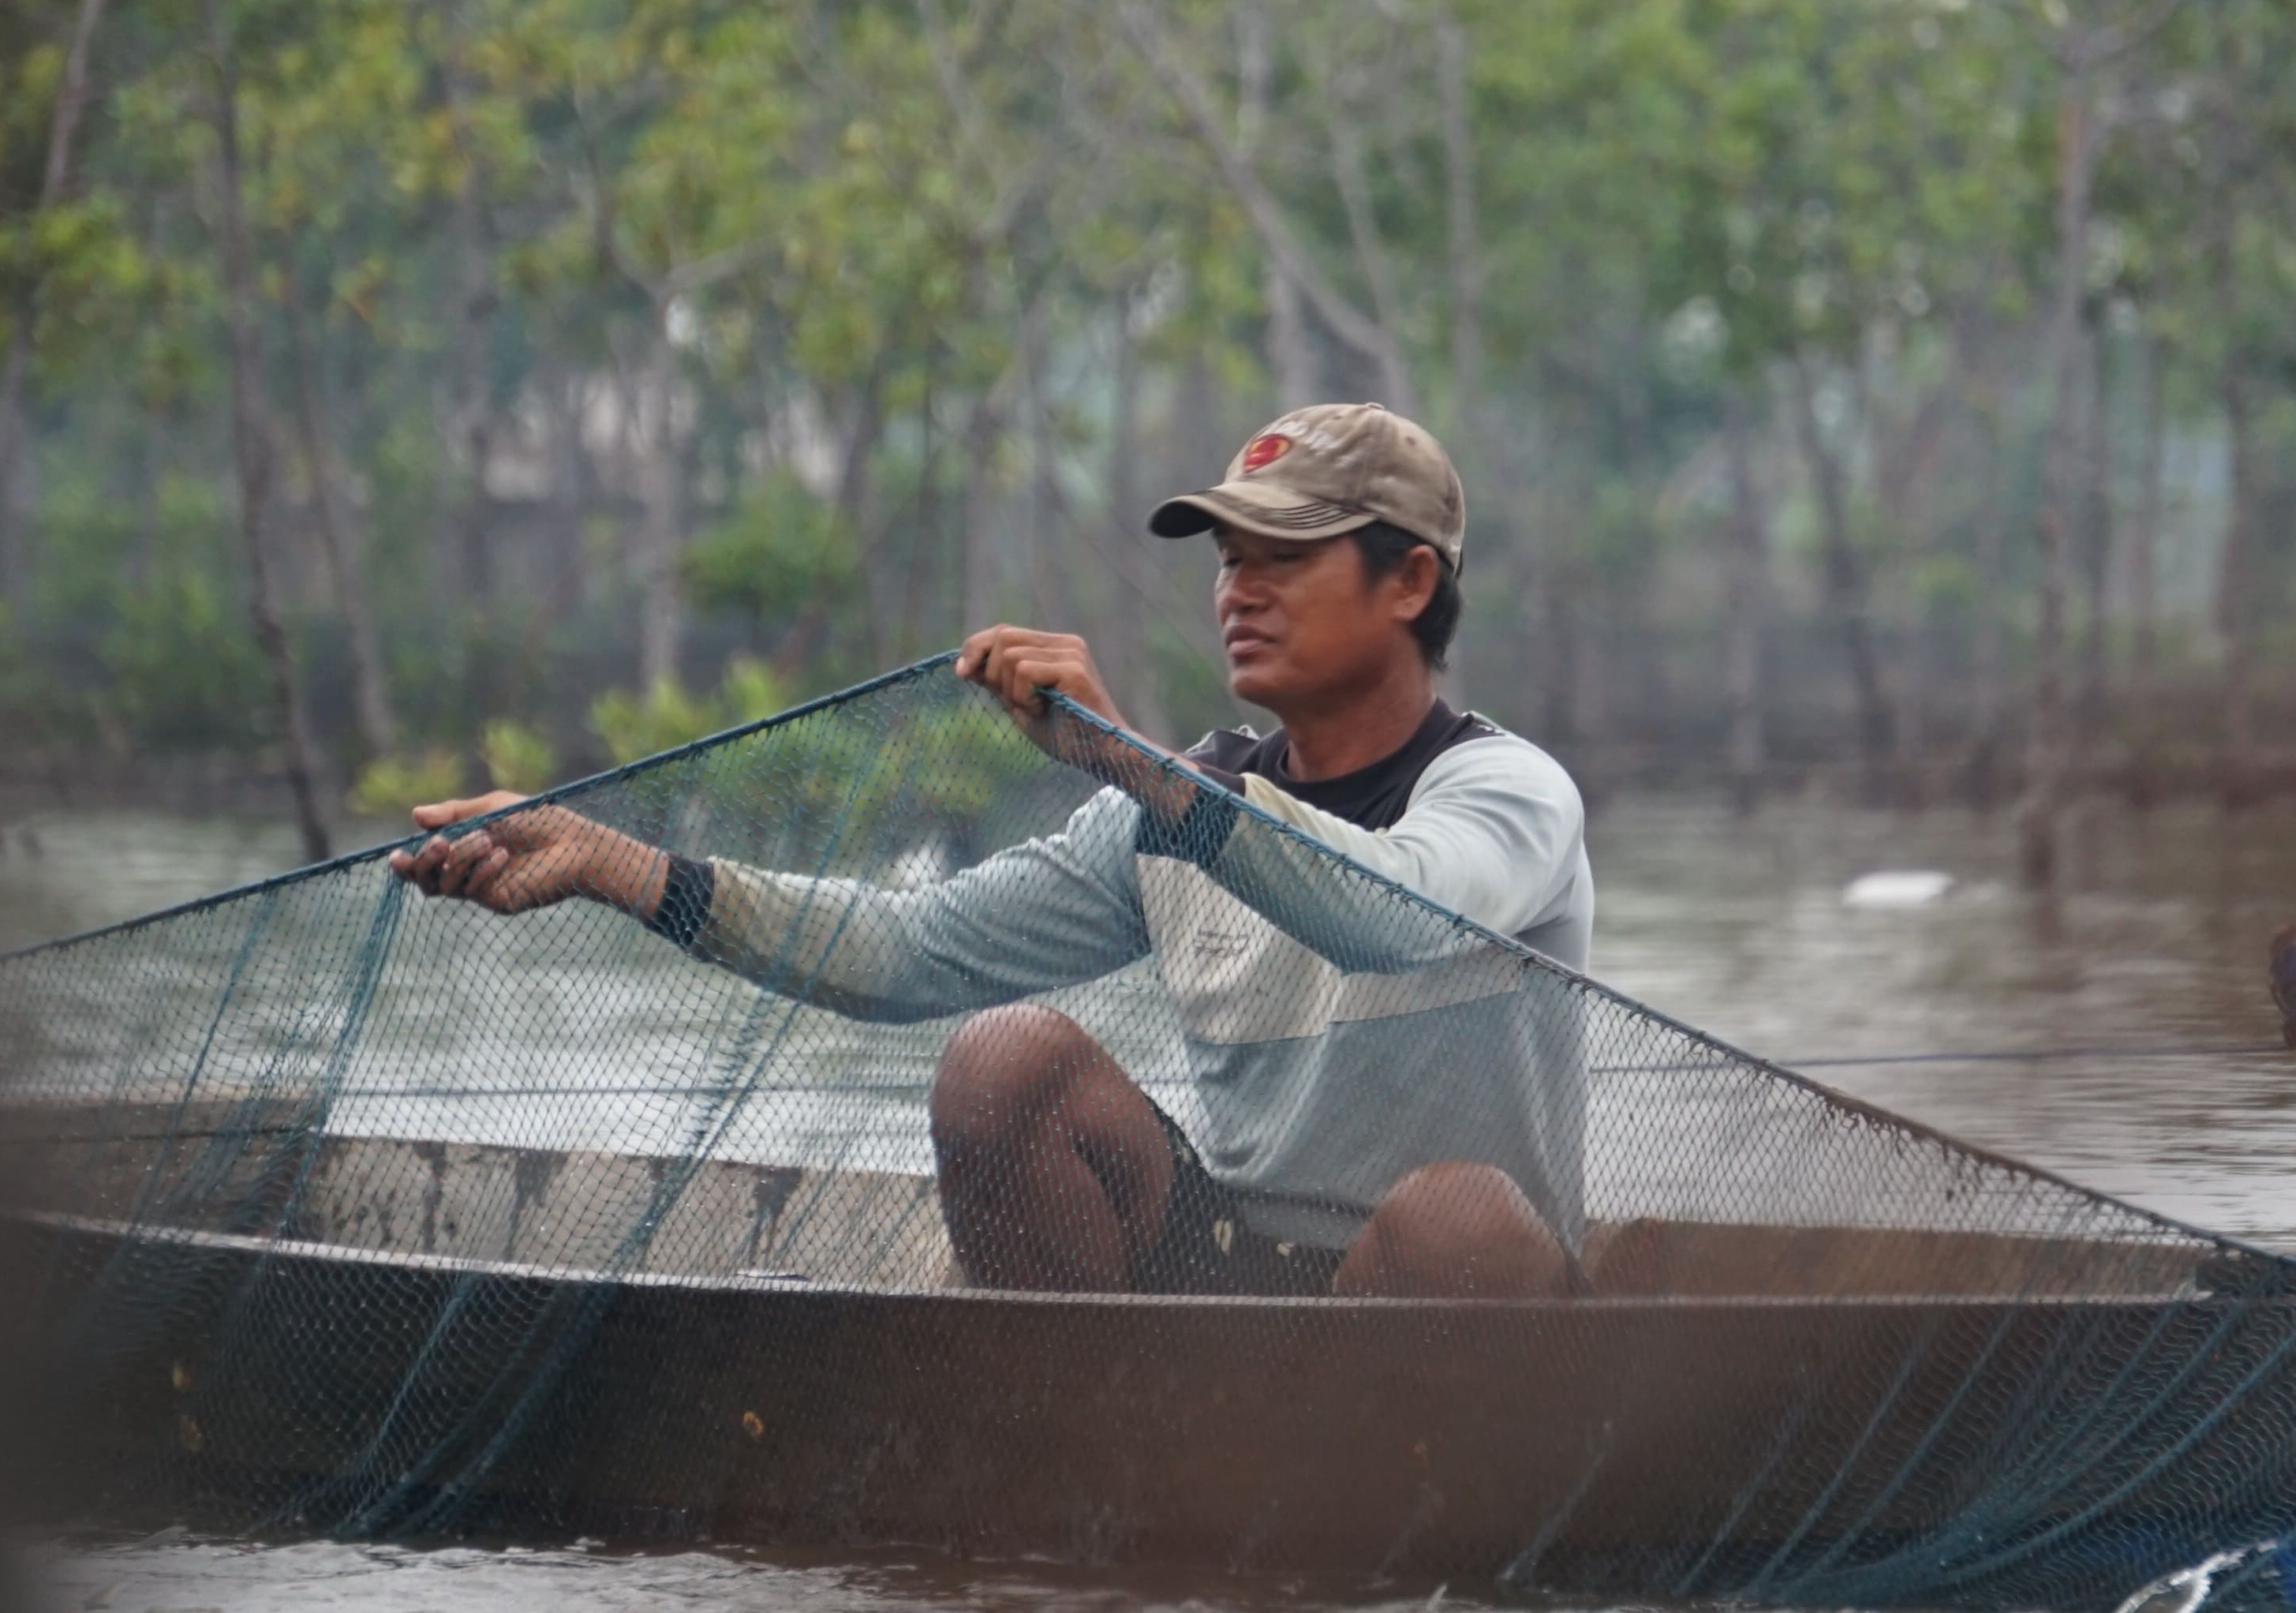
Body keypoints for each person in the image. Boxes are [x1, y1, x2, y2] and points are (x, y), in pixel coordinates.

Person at [390, 403, 1592, 1299]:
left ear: (1409, 582)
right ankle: (1089, 1466)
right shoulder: (1175, 807)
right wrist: (612, 865)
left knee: (1457, 1217)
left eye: (1285, 555)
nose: (1238, 590)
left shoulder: (1506, 792)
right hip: (1233, 1275)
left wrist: (1133, 764)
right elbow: (909, 953)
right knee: (1000, 1059)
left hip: (1440, 1306)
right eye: (1228, 558)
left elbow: (1398, 916)